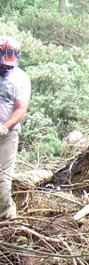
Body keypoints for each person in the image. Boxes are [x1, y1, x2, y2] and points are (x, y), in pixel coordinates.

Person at [0, 36, 31, 220]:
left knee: (2, 177)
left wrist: (4, 127)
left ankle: (5, 216)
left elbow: (20, 109)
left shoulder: (20, 78)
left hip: (7, 134)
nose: (5, 68)